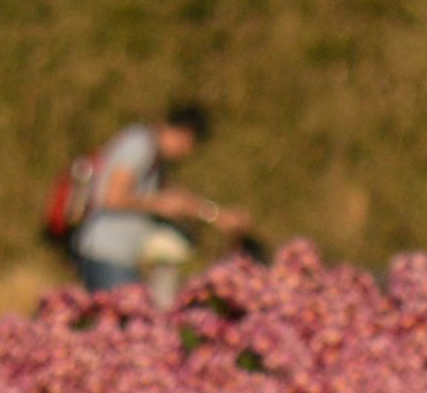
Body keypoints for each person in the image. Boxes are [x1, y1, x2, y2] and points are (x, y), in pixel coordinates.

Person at [45, 100, 263, 300]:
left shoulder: (153, 155)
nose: (186, 153)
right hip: (105, 253)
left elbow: (178, 200)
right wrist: (157, 204)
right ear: (186, 135)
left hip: (119, 256)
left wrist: (218, 215)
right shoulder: (139, 145)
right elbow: (111, 197)